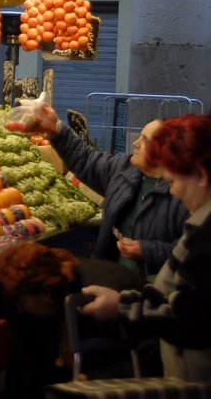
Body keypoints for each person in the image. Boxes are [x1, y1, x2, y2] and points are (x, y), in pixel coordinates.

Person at [78, 114, 211, 382]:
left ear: (200, 175)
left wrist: (122, 307)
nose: (172, 192)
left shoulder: (206, 237)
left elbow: (193, 316)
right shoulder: (200, 226)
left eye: (173, 182)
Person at [34, 104, 188, 279]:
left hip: (152, 290)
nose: (135, 143)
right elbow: (86, 159)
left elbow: (191, 252)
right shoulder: (125, 169)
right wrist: (56, 129)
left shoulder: (183, 194)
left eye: (145, 140)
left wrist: (147, 250)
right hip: (113, 275)